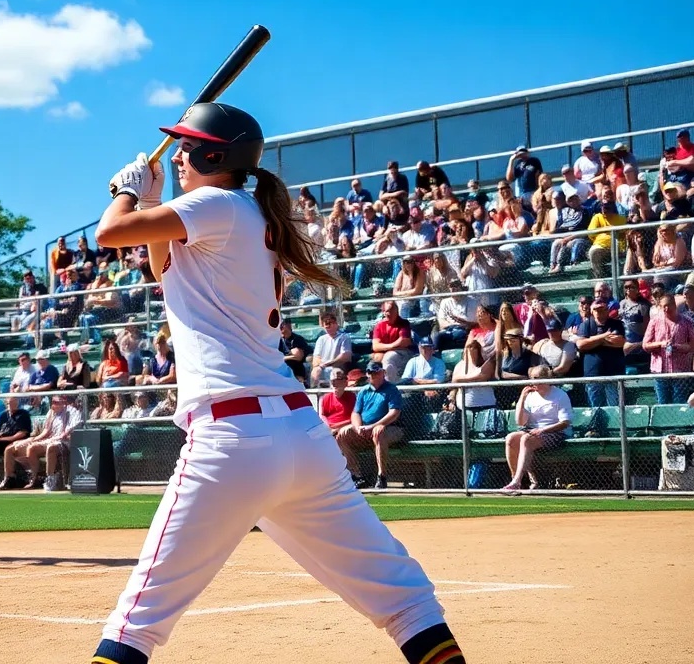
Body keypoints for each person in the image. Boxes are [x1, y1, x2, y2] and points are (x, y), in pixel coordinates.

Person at [88, 103, 462, 664]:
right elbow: (164, 271)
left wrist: (123, 189)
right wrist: (150, 197)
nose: (181, 156)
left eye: (188, 148)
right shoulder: (243, 213)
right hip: (300, 440)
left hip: (230, 441)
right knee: (405, 600)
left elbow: (109, 233)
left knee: (138, 621)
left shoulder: (216, 203)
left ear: (217, 156)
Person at [501, 367, 572, 493]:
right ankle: (515, 480)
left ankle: (517, 481)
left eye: (537, 378)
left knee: (525, 439)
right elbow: (520, 422)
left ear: (547, 379)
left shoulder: (560, 395)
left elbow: (565, 423)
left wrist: (543, 430)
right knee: (511, 438)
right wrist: (522, 398)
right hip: (534, 432)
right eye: (531, 378)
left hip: (555, 432)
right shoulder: (531, 397)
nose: (533, 382)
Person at [339, 361, 406, 489]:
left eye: (376, 372)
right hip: (366, 428)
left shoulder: (391, 389)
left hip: (391, 428)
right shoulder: (364, 391)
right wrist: (358, 427)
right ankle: (357, 476)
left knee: (379, 431)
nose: (373, 375)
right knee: (343, 434)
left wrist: (375, 426)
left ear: (383, 373)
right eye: (370, 372)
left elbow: (394, 413)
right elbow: (355, 413)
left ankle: (382, 476)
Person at [642, 294, 694, 404]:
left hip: (680, 371)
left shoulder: (686, 322)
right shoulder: (654, 321)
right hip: (660, 371)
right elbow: (645, 345)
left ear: (674, 305)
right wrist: (660, 344)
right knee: (662, 403)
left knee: (680, 403)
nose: (666, 309)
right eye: (663, 306)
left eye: (669, 305)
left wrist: (682, 347)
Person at [575, 300, 626, 407]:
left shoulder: (616, 324)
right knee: (596, 408)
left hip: (614, 373)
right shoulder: (586, 325)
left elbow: (620, 342)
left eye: (602, 310)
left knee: (615, 406)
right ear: (592, 311)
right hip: (592, 374)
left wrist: (592, 341)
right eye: (596, 310)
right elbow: (581, 345)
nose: (599, 312)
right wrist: (604, 337)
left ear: (607, 310)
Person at [319, 368, 359, 470]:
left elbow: (355, 418)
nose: (335, 384)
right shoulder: (325, 398)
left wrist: (338, 428)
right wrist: (329, 428)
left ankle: (354, 472)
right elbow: (322, 416)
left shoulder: (352, 397)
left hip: (346, 429)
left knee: (340, 437)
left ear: (345, 382)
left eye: (338, 380)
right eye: (333, 381)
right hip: (330, 430)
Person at [372, 300, 416, 383]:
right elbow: (375, 346)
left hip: (404, 353)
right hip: (389, 351)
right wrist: (391, 346)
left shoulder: (403, 323)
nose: (387, 313)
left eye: (390, 311)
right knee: (376, 358)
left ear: (396, 311)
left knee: (389, 357)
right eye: (385, 311)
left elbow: (404, 342)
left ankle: (391, 387)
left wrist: (387, 348)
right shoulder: (379, 325)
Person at [310, 310, 353, 386]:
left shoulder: (344, 338)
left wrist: (328, 363)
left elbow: (346, 357)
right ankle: (314, 393)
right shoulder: (321, 339)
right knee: (315, 371)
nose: (329, 325)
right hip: (322, 368)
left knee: (336, 373)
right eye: (326, 323)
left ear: (336, 323)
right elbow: (316, 358)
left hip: (337, 368)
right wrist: (320, 365)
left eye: (331, 322)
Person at [277, 318, 311, 383]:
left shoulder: (298, 339)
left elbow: (299, 356)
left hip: (297, 366)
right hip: (283, 366)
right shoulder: (278, 341)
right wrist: (289, 356)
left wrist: (283, 358)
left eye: (283, 325)